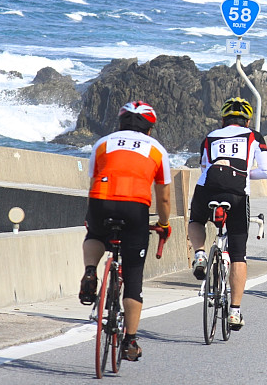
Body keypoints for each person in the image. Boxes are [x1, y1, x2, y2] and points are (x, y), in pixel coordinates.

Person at [79, 101, 172, 362]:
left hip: (101, 200)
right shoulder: (156, 150)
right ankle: (130, 340)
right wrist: (164, 224)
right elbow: (163, 198)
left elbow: (93, 179)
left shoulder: (103, 143)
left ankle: (89, 272)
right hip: (135, 208)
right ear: (150, 129)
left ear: (120, 124)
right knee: (133, 276)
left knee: (95, 235)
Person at [187, 97, 267, 331]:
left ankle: (201, 255)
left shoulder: (210, 137)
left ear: (223, 119)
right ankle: (234, 312)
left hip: (207, 190)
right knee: (238, 255)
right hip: (237, 195)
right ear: (246, 121)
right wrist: (244, 174)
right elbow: (266, 172)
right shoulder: (254, 136)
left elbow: (204, 167)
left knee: (195, 220)